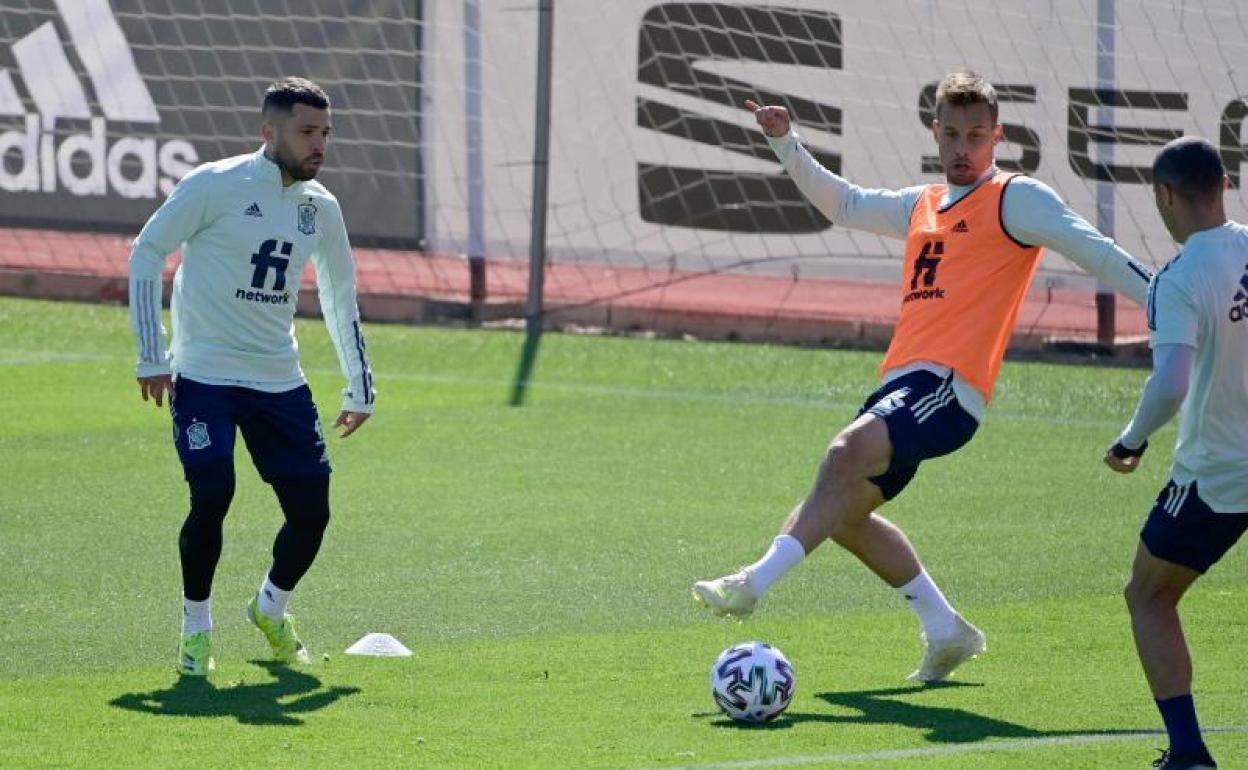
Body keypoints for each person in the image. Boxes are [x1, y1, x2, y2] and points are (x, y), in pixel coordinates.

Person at [692, 70, 1153, 682]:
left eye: (977, 136)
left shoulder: (1015, 199)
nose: (964, 148)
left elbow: (1092, 249)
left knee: (842, 453)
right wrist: (786, 143)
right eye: (953, 134)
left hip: (950, 388)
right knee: (843, 516)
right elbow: (847, 204)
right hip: (902, 385)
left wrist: (1165, 302)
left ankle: (752, 584)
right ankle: (946, 630)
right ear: (935, 132)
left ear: (998, 137)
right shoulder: (924, 204)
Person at [128, 76, 376, 676]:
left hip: (278, 381)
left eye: (325, 133)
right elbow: (147, 251)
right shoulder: (215, 185)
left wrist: (359, 385)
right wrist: (152, 355)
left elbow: (341, 296)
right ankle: (195, 630)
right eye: (306, 132)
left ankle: (270, 607)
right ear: (269, 131)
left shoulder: (322, 208)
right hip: (206, 375)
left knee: (312, 510)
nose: (319, 144)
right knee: (213, 494)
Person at [1104, 137, 1246, 770]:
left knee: (1149, 596)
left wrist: (1131, 440)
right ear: (1224, 184)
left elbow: (1172, 383)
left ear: (1164, 195)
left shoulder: (1180, 277)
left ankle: (1188, 752)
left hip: (1220, 473)